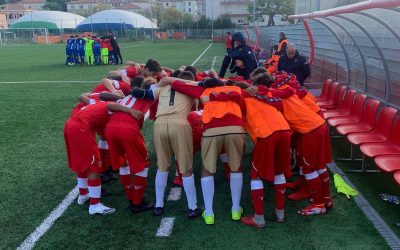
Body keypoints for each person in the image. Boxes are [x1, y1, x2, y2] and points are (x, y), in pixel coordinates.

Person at [170, 78, 246, 225]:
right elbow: (248, 98)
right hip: (235, 127)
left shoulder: (204, 90)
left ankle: (209, 213)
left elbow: (177, 85)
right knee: (236, 167)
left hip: (212, 129)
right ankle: (236, 210)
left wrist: (196, 84)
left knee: (207, 169)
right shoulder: (236, 89)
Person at [130, 75, 202, 219]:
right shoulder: (191, 85)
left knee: (162, 167)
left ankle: (158, 206)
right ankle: (192, 207)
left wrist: (163, 82)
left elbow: (141, 93)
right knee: (186, 168)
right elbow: (208, 85)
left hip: (159, 124)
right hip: (180, 123)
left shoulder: (163, 86)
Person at [105, 77, 155, 213]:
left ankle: (130, 197)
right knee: (142, 165)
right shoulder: (151, 97)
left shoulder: (127, 97)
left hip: (110, 128)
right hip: (127, 128)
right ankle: (137, 203)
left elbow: (108, 105)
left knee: (123, 163)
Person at [64, 101, 116, 215]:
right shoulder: (113, 106)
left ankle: (83, 195)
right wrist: (131, 111)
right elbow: (110, 106)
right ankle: (95, 205)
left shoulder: (98, 100)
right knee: (94, 166)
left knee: (81, 162)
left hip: (70, 124)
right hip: (81, 128)